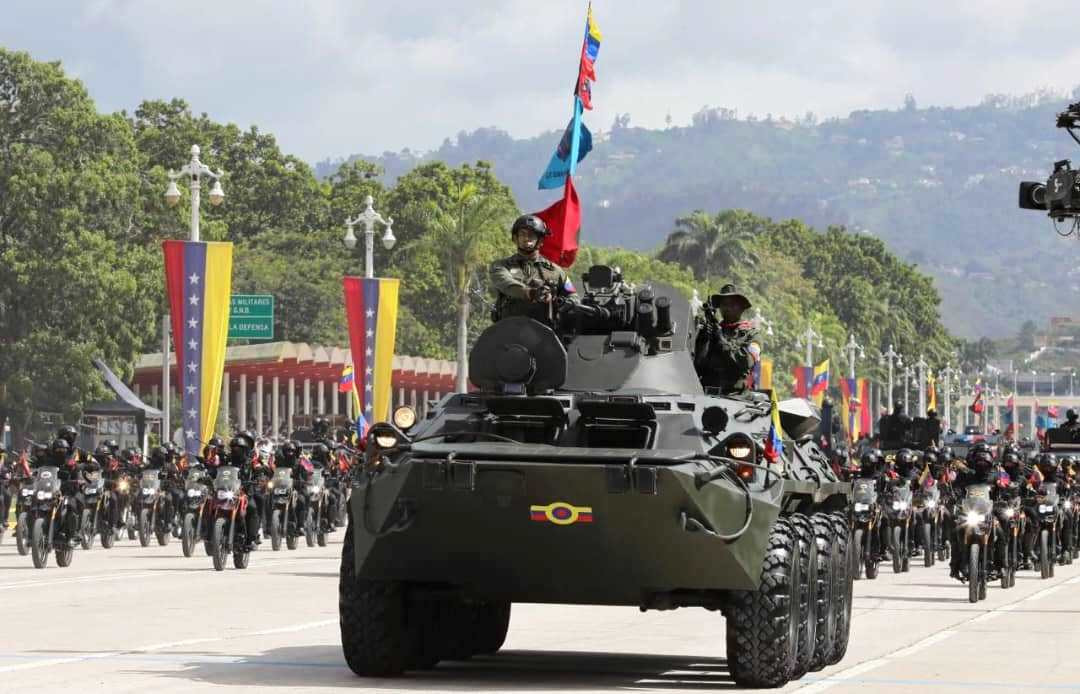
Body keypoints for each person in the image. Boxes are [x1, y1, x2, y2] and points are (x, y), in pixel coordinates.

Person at [489, 214, 577, 327]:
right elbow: (506, 283)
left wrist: (559, 303)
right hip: (509, 332)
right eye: (522, 234)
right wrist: (532, 293)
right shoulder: (501, 266)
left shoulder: (556, 271)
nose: (527, 238)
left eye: (531, 235)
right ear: (515, 238)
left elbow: (573, 296)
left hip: (546, 335)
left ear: (540, 240)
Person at [693, 284, 759, 395]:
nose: (727, 308)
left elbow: (745, 363)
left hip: (735, 397)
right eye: (724, 304)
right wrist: (704, 338)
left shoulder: (751, 335)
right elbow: (697, 367)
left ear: (741, 307)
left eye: (732, 304)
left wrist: (720, 338)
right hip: (707, 395)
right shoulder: (712, 330)